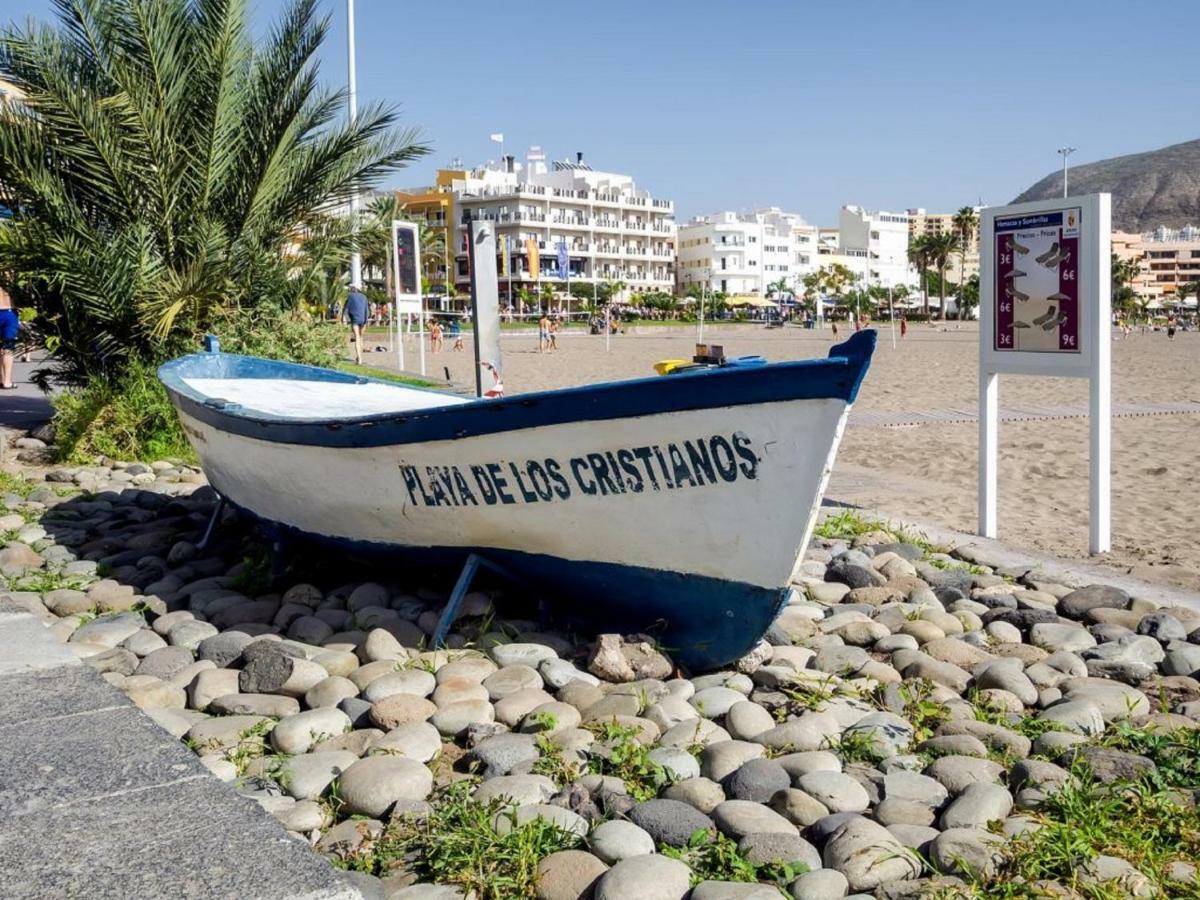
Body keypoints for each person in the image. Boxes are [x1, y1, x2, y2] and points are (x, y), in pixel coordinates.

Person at [342, 284, 369, 364]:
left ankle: (359, 359)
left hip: (355, 320)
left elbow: (346, 309)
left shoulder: (351, 297)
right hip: (364, 320)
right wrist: (366, 321)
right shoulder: (364, 297)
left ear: (352, 289)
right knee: (361, 338)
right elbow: (366, 309)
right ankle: (359, 356)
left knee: (357, 337)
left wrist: (344, 320)